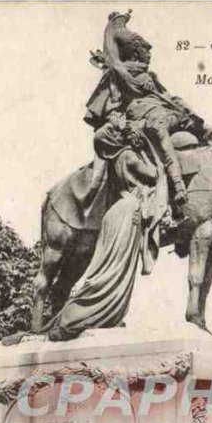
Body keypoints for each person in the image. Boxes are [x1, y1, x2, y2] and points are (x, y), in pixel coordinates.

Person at [85, 10, 212, 215]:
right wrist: (122, 124)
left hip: (164, 112)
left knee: (187, 119)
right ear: (136, 52)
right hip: (141, 120)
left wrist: (182, 108)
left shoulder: (149, 75)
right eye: (146, 51)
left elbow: (167, 97)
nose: (149, 55)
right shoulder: (119, 75)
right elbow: (112, 108)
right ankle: (177, 184)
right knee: (154, 129)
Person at [48, 122, 167, 340]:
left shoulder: (114, 159)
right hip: (128, 212)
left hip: (116, 212)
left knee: (109, 267)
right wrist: (156, 153)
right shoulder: (130, 157)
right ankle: (77, 316)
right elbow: (155, 175)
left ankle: (103, 315)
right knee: (115, 270)